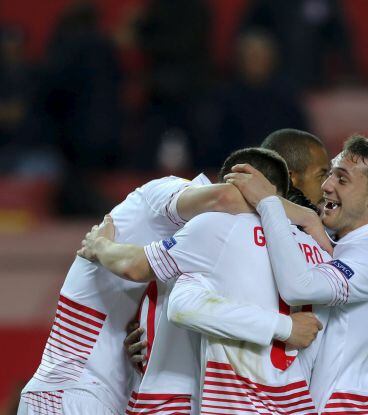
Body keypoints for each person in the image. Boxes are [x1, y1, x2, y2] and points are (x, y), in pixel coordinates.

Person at [17, 152, 289, 413]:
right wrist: (298, 215)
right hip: (71, 386)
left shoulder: (200, 247)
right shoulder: (162, 192)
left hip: (104, 395)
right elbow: (225, 197)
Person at [78, 148, 325, 414]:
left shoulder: (216, 227)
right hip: (297, 401)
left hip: (235, 401)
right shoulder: (315, 248)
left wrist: (99, 245)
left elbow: (147, 276)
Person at [226, 134, 368, 413]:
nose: (326, 186)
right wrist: (307, 218)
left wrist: (268, 203)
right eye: (329, 175)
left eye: (342, 179)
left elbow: (299, 287)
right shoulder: (346, 244)